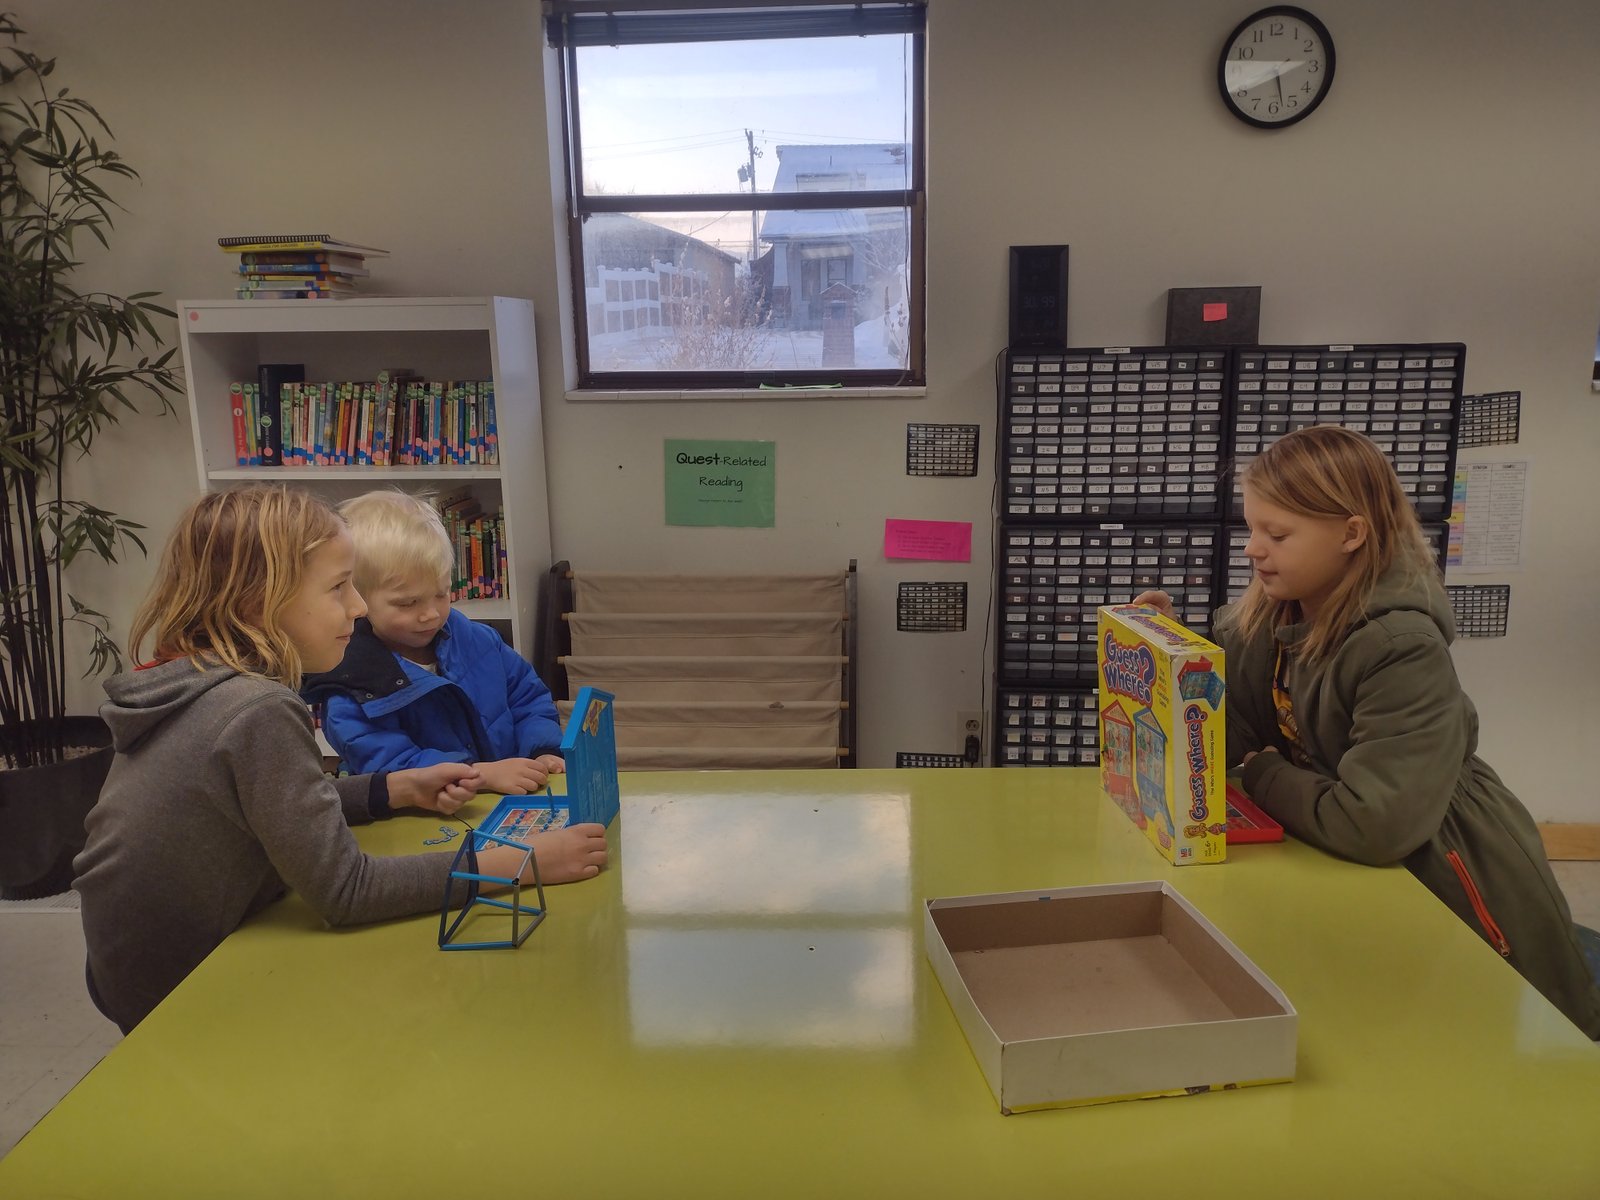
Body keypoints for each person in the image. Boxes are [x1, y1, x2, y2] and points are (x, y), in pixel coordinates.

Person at [73, 486, 607, 1034]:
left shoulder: (207, 679)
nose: (358, 606)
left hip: (132, 958)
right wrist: (523, 861)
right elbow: (348, 891)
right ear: (259, 601)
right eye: (338, 587)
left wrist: (394, 788)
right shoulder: (256, 708)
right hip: (184, 983)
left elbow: (268, 801)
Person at [1136, 424, 1600, 1039]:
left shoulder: (1401, 646)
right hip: (1338, 859)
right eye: (1252, 529)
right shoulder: (1270, 616)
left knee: (1463, 1041)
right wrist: (1174, 657)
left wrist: (1266, 774)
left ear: (1351, 534)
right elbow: (1231, 730)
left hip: (1450, 876)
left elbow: (1374, 822)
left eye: (1277, 534)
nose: (1252, 549)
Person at [303, 490, 564, 796]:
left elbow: (527, 698)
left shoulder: (477, 639)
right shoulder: (351, 686)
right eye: (407, 603)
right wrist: (481, 776)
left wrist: (542, 749)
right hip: (424, 814)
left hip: (505, 801)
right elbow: (392, 766)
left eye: (441, 594)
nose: (430, 614)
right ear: (358, 600)